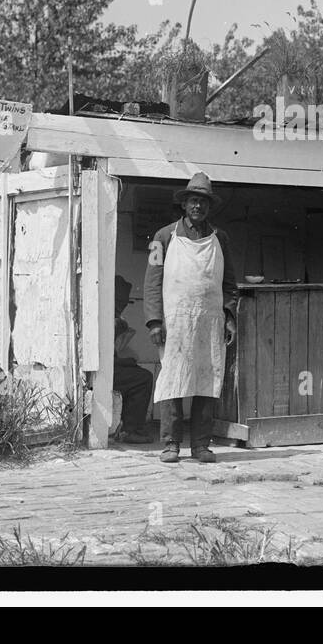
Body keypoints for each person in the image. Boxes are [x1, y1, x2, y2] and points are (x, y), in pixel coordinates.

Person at [143, 171, 237, 464]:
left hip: (210, 322)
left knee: (206, 380)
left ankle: (200, 445)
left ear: (210, 207)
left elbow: (230, 283)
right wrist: (155, 321)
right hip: (175, 322)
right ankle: (171, 444)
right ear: (184, 205)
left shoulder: (220, 238)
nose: (198, 207)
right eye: (193, 201)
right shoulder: (163, 237)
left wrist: (229, 316)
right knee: (174, 378)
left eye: (204, 202)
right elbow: (151, 282)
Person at [111, 275, 154, 444]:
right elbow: (105, 362)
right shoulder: (110, 320)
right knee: (143, 378)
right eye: (121, 302)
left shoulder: (111, 317)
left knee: (135, 373)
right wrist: (127, 362)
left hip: (106, 370)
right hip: (100, 375)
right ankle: (131, 429)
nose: (121, 307)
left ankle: (127, 427)